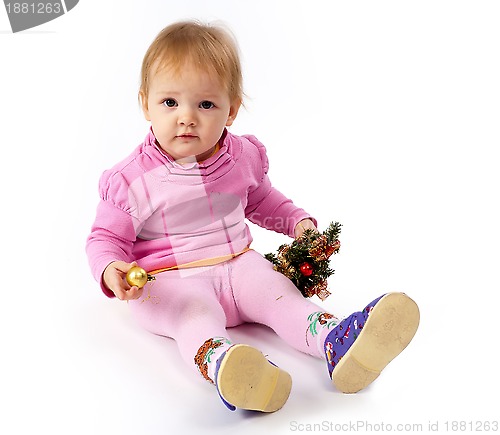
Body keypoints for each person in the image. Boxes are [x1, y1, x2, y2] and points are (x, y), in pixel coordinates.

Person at [86, 20, 420, 413]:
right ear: (145, 103)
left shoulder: (241, 157)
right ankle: (228, 367)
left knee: (280, 296)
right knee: (194, 318)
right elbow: (105, 239)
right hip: (171, 281)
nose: (187, 117)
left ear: (231, 110)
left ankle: (336, 341)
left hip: (238, 266)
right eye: (170, 102)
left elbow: (261, 200)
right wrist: (111, 269)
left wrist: (297, 223)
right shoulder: (132, 179)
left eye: (205, 104)